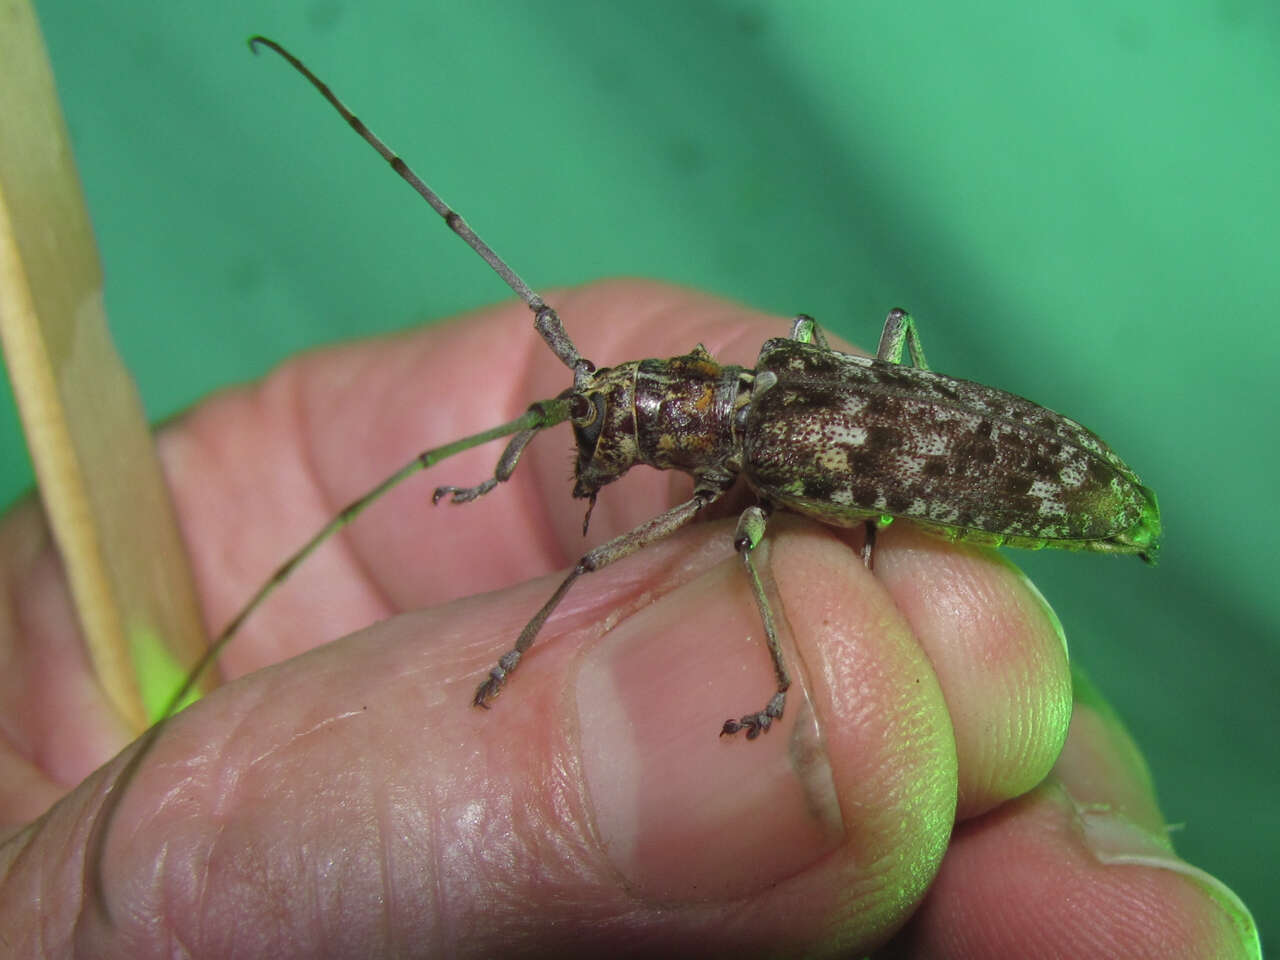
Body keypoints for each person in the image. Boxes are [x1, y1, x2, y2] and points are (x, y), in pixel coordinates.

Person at [0, 282, 1258, 957]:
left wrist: (513, 654)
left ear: (683, 414)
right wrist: (501, 469)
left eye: (623, 424)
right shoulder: (766, 375)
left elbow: (692, 534)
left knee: (765, 571)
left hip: (1024, 471)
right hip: (992, 440)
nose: (607, 447)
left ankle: (733, 680)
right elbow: (575, 429)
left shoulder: (758, 440)